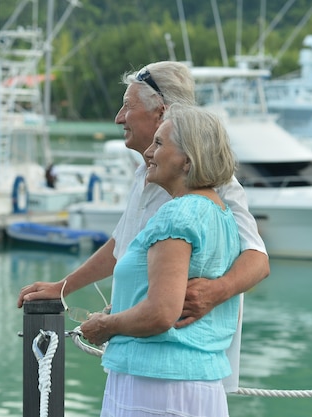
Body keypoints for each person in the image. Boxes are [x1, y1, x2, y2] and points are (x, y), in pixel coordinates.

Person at [17, 61, 269, 388]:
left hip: (180, 364)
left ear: (160, 112)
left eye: (127, 107)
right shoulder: (144, 175)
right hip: (138, 357)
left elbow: (257, 259)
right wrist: (62, 288)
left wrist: (214, 292)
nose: (119, 118)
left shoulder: (214, 182)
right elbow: (121, 245)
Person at [87, 103, 241, 416]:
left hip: (156, 387)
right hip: (198, 383)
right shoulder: (220, 214)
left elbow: (160, 314)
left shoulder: (176, 214)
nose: (148, 153)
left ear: (188, 160)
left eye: (159, 144)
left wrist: (105, 325)